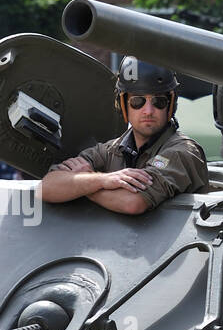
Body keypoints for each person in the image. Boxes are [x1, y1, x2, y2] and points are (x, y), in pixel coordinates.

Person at [42, 58, 208, 214]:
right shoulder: (110, 150)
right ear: (123, 105)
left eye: (159, 102)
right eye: (138, 102)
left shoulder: (183, 152)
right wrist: (102, 181)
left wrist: (86, 182)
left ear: (170, 105)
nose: (148, 111)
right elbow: (47, 187)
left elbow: (132, 202)